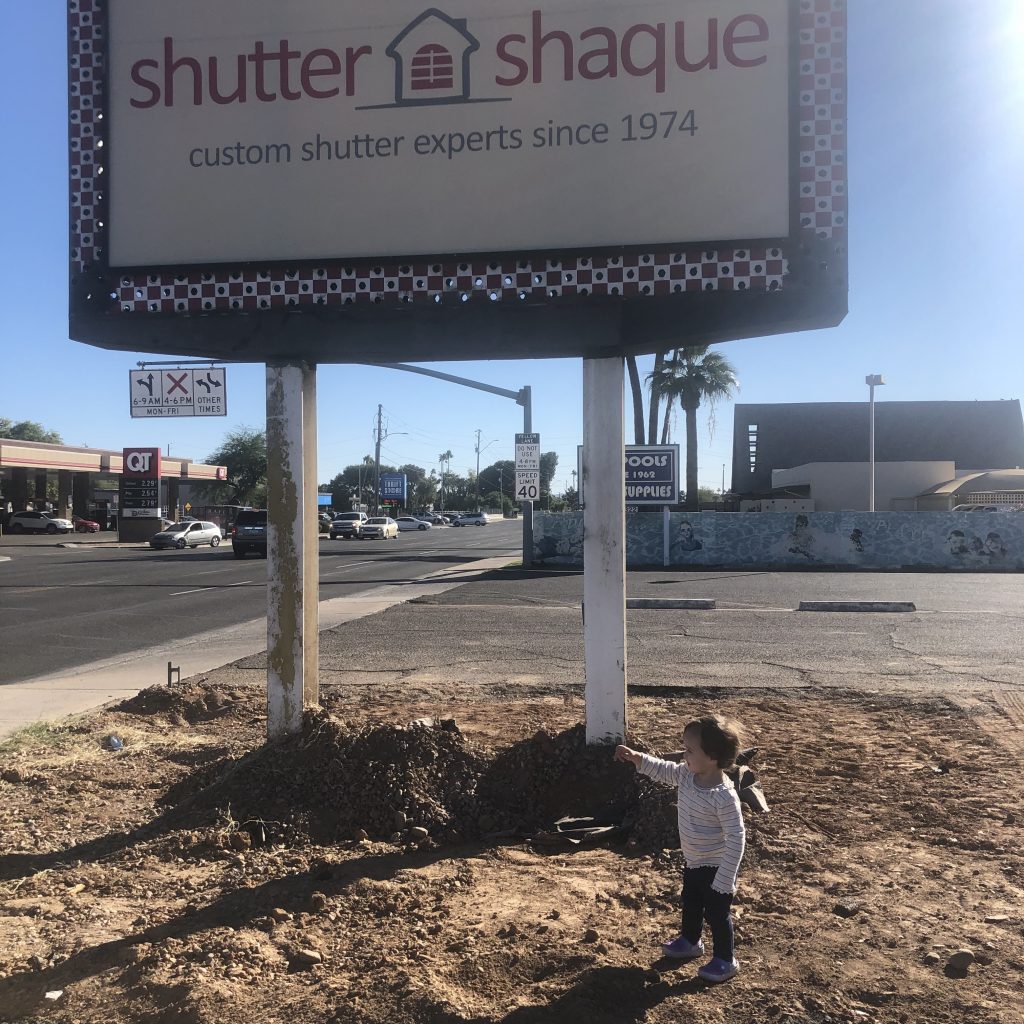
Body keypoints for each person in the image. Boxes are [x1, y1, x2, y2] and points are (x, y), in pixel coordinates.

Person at [615, 715, 746, 983]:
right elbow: (663, 769)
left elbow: (736, 838)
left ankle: (725, 958)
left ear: (712, 756)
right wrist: (638, 758)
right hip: (694, 860)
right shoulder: (686, 775)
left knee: (717, 914)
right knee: (692, 901)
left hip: (718, 865)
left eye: (689, 750)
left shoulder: (723, 796)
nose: (683, 754)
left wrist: (725, 879)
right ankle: (690, 941)